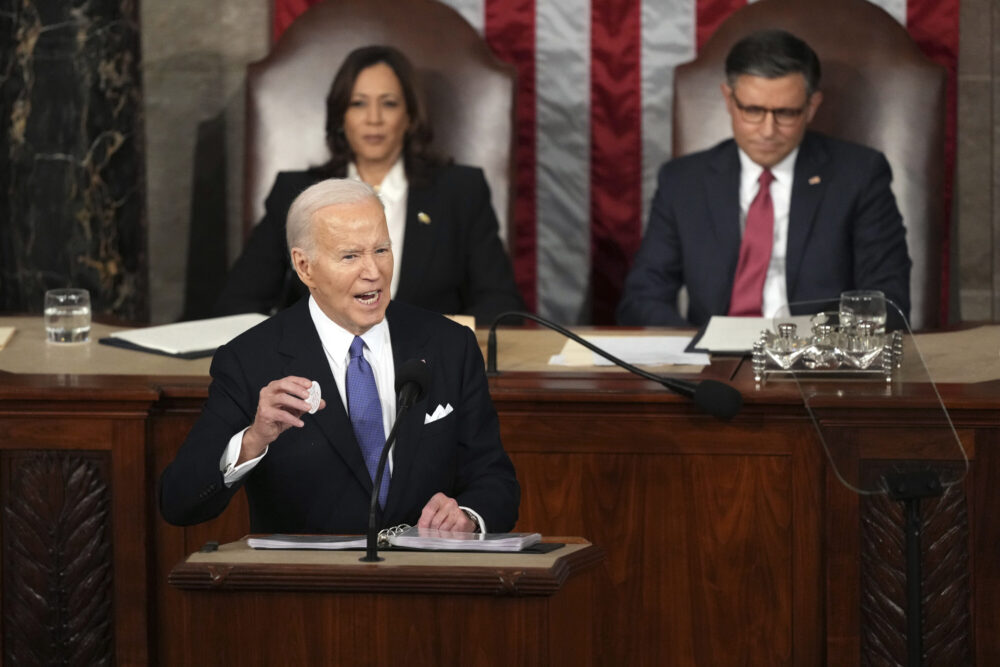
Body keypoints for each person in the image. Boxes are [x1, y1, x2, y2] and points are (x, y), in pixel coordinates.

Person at [160, 178, 520, 534]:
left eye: (381, 250)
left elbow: (495, 480)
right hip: (313, 587)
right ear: (305, 267)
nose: (374, 272)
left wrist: (469, 517)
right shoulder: (250, 361)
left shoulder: (449, 345)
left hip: (427, 580)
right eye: (350, 256)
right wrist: (253, 439)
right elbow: (179, 502)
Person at [617, 29, 911, 327]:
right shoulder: (683, 182)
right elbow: (642, 298)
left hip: (818, 363)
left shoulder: (860, 175)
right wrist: (694, 348)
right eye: (753, 110)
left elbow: (888, 298)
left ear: (811, 107)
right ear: (729, 100)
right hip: (712, 362)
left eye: (786, 113)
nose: (768, 130)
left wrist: (815, 347)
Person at [215, 45, 524, 323]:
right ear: (341, 117)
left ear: (410, 116)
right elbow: (238, 303)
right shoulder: (296, 193)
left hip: (429, 371)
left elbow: (501, 307)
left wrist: (441, 341)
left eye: (388, 104)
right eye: (358, 104)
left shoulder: (460, 191)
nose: (373, 118)